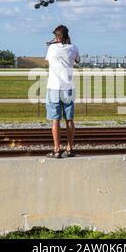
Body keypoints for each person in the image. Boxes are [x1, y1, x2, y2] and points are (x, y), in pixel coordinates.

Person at [45, 25, 80, 158]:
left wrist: (54, 43)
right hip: (68, 88)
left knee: (55, 120)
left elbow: (47, 60)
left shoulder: (52, 48)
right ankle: (70, 148)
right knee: (69, 120)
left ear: (57, 36)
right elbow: (77, 60)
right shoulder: (73, 48)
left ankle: (56, 149)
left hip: (53, 87)